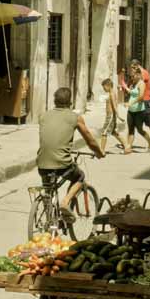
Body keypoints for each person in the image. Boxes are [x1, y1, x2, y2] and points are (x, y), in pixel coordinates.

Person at [36, 87, 105, 216]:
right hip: (62, 163)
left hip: (42, 162)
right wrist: (99, 152)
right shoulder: (75, 117)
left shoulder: (43, 116)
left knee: (48, 189)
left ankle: (48, 213)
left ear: (54, 101)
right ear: (70, 102)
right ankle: (65, 203)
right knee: (80, 176)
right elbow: (89, 140)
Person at [127, 59, 150, 149]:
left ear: (136, 66)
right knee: (136, 126)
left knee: (149, 123)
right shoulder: (138, 74)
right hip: (140, 103)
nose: (132, 71)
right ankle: (129, 144)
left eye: (132, 68)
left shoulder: (143, 73)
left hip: (146, 101)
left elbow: (139, 82)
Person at [99, 78, 128, 154]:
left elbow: (115, 106)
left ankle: (101, 150)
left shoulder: (112, 94)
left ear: (108, 86)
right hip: (111, 116)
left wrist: (118, 116)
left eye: (104, 87)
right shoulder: (113, 93)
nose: (104, 89)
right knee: (113, 132)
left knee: (104, 132)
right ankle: (126, 145)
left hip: (110, 116)